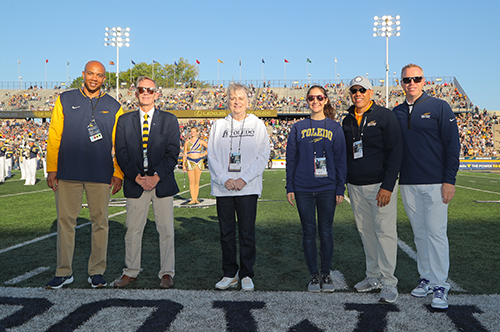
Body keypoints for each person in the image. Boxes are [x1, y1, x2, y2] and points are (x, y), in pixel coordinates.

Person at [45, 60, 124, 289]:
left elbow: (119, 143)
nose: (94, 78)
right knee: (65, 222)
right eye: (90, 73)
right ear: (83, 74)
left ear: (103, 78)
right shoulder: (65, 99)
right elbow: (54, 135)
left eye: (99, 75)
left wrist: (118, 171)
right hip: (68, 172)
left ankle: (97, 272)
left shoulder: (114, 105)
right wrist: (52, 168)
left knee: (100, 223)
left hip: (100, 173)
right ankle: (64, 271)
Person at [393, 64, 460, 310]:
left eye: (416, 78)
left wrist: (449, 180)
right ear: (401, 82)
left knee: (436, 233)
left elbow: (452, 145)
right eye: (407, 79)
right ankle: (427, 278)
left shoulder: (440, 107)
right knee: (420, 234)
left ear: (424, 81)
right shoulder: (397, 111)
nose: (411, 83)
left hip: (435, 182)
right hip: (408, 182)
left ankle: (441, 284)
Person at [113, 76, 180, 289]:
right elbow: (121, 154)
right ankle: (131, 271)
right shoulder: (124, 121)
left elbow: (173, 153)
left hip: (161, 183)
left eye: (150, 90)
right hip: (136, 182)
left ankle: (167, 272)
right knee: (133, 229)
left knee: (166, 229)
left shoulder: (169, 120)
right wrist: (135, 176)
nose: (145, 93)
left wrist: (156, 177)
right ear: (136, 93)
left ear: (156, 94)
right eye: (142, 89)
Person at [342, 76, 403, 303]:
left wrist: (388, 185)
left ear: (371, 92)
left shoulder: (385, 116)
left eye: (362, 90)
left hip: (379, 185)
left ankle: (388, 282)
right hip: (355, 186)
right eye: (354, 90)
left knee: (385, 233)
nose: (358, 94)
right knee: (366, 233)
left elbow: (396, 151)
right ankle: (373, 276)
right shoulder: (347, 120)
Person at [208, 83, 270, 291]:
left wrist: (243, 179)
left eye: (240, 98)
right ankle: (229, 273)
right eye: (233, 98)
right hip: (223, 188)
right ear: (228, 100)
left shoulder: (257, 125)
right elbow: (212, 156)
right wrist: (225, 179)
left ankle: (246, 274)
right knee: (226, 233)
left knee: (246, 232)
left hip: (248, 188)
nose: (236, 102)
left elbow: (263, 156)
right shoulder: (218, 126)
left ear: (247, 101)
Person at [286, 85, 347, 293]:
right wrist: (290, 186)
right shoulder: (297, 128)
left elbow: (340, 160)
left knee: (326, 232)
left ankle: (326, 274)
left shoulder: (335, 128)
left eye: (319, 97)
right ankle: (313, 275)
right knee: (309, 232)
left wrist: (340, 188)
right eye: (311, 98)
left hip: (328, 187)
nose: (315, 101)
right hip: (303, 188)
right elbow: (291, 159)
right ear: (307, 101)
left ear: (326, 100)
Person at [182, 126, 207, 204]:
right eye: (191, 131)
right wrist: (183, 165)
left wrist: (202, 155)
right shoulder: (187, 142)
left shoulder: (201, 141)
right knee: (191, 181)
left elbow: (209, 148)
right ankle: (193, 198)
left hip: (198, 161)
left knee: (197, 181)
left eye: (194, 131)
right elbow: (185, 153)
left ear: (197, 132)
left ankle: (196, 198)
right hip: (190, 161)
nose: (192, 133)